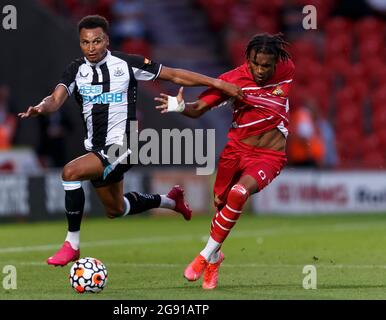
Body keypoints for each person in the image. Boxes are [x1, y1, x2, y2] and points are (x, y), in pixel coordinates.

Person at [18, 15, 242, 267]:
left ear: (107, 40)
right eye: (85, 42)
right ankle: (169, 200)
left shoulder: (126, 64)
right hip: (97, 148)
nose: (91, 47)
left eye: (96, 41)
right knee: (116, 209)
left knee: (71, 172)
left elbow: (174, 75)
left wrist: (217, 82)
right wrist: (40, 107)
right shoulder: (75, 70)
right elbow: (55, 99)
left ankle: (72, 244)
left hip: (125, 144)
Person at [155, 33, 295, 289]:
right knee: (221, 203)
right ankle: (216, 256)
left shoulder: (287, 69)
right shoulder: (231, 81)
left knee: (240, 193)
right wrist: (179, 106)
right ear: (247, 59)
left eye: (267, 65)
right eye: (256, 64)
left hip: (269, 155)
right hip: (235, 151)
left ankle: (203, 256)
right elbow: (198, 109)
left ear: (276, 63)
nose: (261, 70)